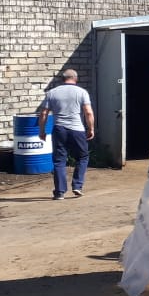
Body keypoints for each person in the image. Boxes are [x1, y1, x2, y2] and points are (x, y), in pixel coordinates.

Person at [37, 68, 95, 199]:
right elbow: (88, 112)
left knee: (59, 161)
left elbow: (44, 113)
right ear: (76, 79)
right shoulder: (82, 92)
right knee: (82, 157)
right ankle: (77, 186)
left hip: (59, 129)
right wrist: (91, 129)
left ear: (62, 79)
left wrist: (42, 131)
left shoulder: (52, 93)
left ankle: (60, 192)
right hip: (77, 130)